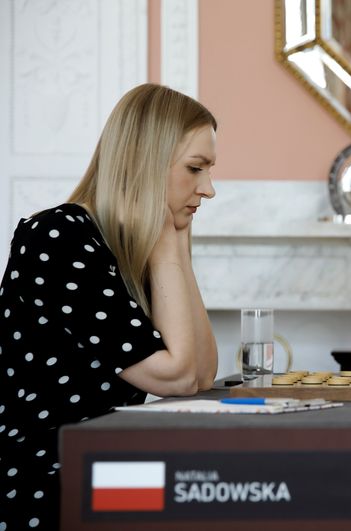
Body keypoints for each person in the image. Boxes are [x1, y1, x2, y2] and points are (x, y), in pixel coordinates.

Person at [0, 83, 219, 529]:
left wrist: (174, 243)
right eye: (195, 169)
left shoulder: (129, 246)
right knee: (212, 501)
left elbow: (201, 375)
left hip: (109, 463)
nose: (209, 189)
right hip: (48, 477)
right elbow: (175, 377)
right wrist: (164, 246)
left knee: (220, 495)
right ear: (147, 165)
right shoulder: (59, 237)